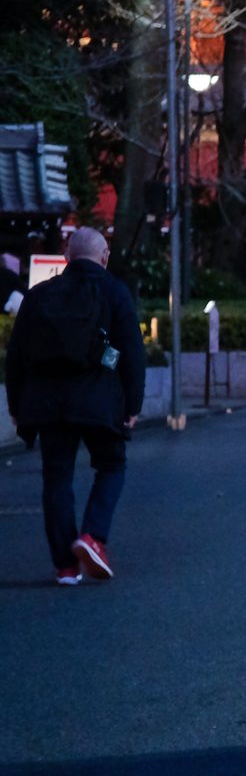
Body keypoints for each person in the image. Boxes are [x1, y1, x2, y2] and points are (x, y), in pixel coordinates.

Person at [5, 228, 145, 585]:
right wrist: (133, 404)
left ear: (66, 257)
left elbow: (16, 356)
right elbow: (132, 352)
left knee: (57, 479)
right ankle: (93, 537)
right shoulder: (115, 292)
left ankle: (65, 567)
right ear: (104, 257)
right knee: (111, 465)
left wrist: (16, 405)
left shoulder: (38, 296)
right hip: (99, 400)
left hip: (48, 404)